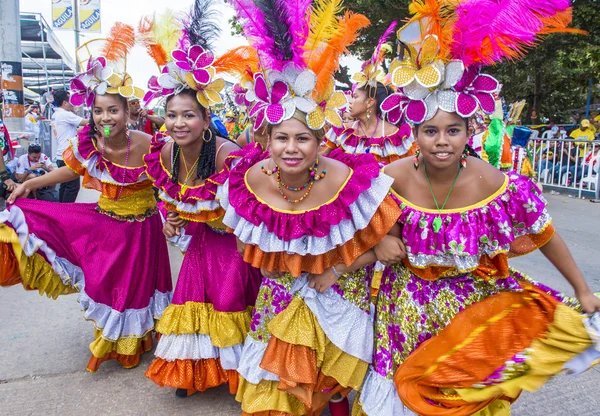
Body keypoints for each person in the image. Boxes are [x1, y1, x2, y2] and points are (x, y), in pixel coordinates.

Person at [354, 5, 600, 415]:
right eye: (430, 131)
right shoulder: (390, 175)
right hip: (405, 308)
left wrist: (582, 288)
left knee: (461, 398)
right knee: (404, 395)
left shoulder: (494, 183)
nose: (442, 141)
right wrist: (385, 243)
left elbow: (545, 235)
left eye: (453, 130)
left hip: (468, 311)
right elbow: (372, 229)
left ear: (471, 131)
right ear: (414, 133)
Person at [226, 3, 382, 416]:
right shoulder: (250, 182)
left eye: (302, 139)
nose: (291, 149)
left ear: (320, 143)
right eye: (281, 138)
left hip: (336, 293)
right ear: (267, 138)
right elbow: (250, 249)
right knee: (274, 393)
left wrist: (336, 270)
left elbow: (385, 246)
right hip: (278, 301)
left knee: (329, 390)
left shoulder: (349, 182)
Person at [0, 54, 172, 372]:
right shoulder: (91, 145)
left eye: (113, 110)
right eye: (98, 110)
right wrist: (31, 183)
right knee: (109, 286)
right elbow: (69, 171)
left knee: (139, 287)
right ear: (90, 113)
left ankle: (137, 341)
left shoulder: (152, 145)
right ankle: (114, 341)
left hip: (144, 232)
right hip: (106, 228)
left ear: (127, 112)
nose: (105, 118)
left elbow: (174, 181)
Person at [141, 8, 262, 398]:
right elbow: (167, 198)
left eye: (189, 115)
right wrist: (170, 219)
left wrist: (242, 239)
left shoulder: (229, 156)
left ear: (206, 117)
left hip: (235, 244)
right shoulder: (164, 154)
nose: (179, 123)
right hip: (202, 242)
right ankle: (194, 371)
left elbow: (251, 208)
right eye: (172, 115)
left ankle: (240, 375)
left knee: (228, 304)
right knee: (190, 302)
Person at [324, 23, 416, 165]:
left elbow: (410, 170)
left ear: (370, 102)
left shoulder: (397, 136)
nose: (350, 102)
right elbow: (320, 161)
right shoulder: (341, 133)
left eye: (355, 97)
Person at [52, 89, 87, 202]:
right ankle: (66, 213)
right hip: (68, 156)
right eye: (71, 101)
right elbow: (84, 122)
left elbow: (76, 129)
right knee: (72, 187)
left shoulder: (57, 114)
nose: (73, 103)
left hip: (61, 155)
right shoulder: (65, 114)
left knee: (65, 185)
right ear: (64, 102)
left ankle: (61, 210)